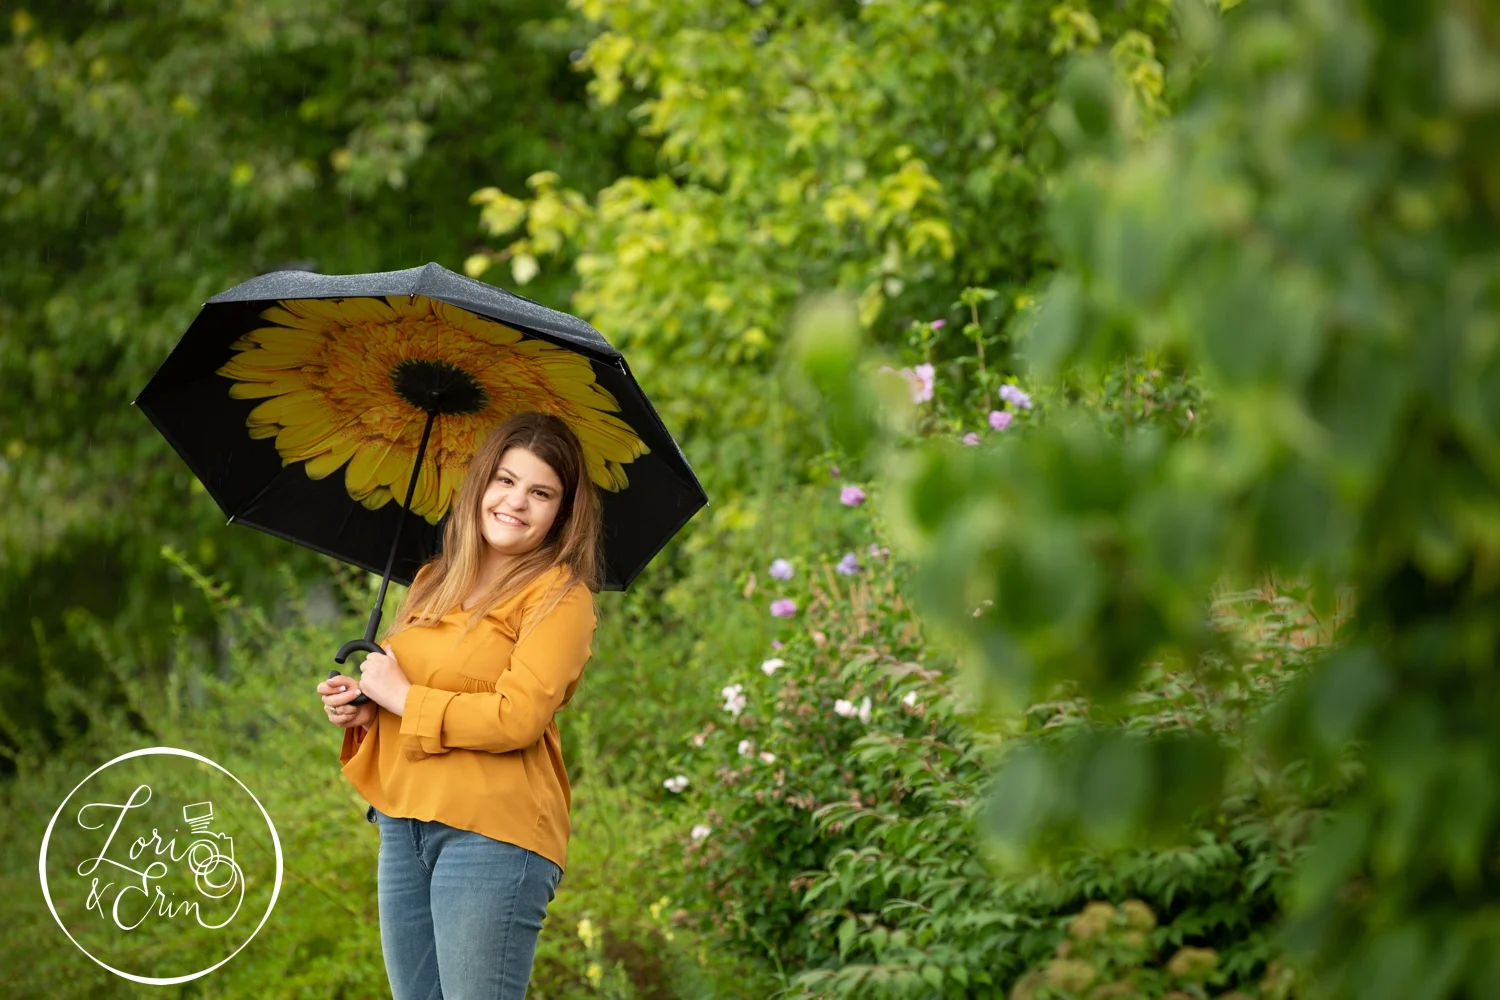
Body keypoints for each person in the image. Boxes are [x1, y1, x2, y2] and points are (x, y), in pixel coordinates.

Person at [316, 410, 603, 1000]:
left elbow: (517, 717)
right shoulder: (432, 579)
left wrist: (404, 696)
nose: (516, 502)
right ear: (480, 484)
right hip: (403, 825)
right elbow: (409, 692)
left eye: (540, 492)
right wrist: (369, 707)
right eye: (504, 479)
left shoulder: (560, 597)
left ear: (562, 513)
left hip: (491, 836)